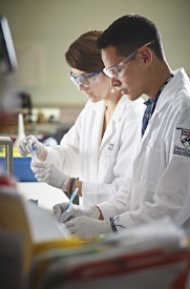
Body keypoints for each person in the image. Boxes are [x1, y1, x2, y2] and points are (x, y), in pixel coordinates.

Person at [55, 15, 190, 289]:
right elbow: (137, 190)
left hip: (185, 256)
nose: (112, 81)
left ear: (144, 56)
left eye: (115, 69)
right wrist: (93, 212)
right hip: (158, 250)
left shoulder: (186, 111)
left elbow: (172, 206)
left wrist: (108, 228)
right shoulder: (155, 106)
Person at [19, 30, 145, 209]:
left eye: (86, 78)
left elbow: (125, 191)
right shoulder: (93, 107)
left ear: (111, 71)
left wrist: (70, 185)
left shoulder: (134, 115)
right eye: (75, 78)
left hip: (120, 225)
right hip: (91, 219)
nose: (80, 87)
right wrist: (42, 152)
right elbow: (73, 154)